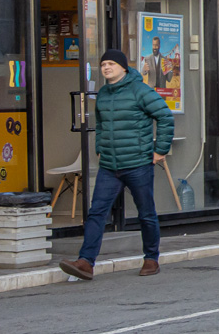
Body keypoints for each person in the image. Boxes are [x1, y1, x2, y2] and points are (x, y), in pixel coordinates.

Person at [59, 49, 174, 281]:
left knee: (146, 214)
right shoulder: (103, 93)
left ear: (123, 67)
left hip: (138, 163)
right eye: (103, 64)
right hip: (110, 166)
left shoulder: (140, 90)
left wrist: (160, 150)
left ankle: (151, 259)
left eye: (111, 63)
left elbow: (165, 116)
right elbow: (100, 124)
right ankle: (86, 263)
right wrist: (100, 148)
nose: (106, 68)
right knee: (96, 213)